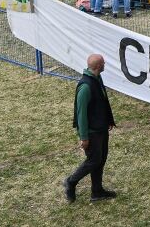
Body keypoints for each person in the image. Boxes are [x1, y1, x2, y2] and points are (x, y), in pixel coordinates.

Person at [64, 53, 117, 203]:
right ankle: (71, 182)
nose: (105, 64)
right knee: (94, 160)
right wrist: (84, 137)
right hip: (92, 133)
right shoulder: (86, 87)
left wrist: (108, 120)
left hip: (100, 128)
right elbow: (81, 115)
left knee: (101, 159)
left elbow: (102, 102)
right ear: (99, 66)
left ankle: (97, 191)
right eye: (103, 63)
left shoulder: (97, 79)